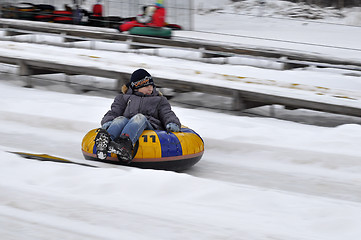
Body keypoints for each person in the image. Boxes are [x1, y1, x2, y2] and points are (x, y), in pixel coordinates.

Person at [95, 68, 181, 163]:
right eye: (146, 86)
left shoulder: (159, 100)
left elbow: (167, 113)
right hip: (128, 124)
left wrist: (172, 123)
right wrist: (108, 122)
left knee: (139, 117)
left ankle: (124, 144)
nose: (150, 88)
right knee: (120, 119)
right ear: (136, 87)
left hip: (149, 126)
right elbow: (114, 112)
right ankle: (106, 141)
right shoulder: (124, 98)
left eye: (151, 85)